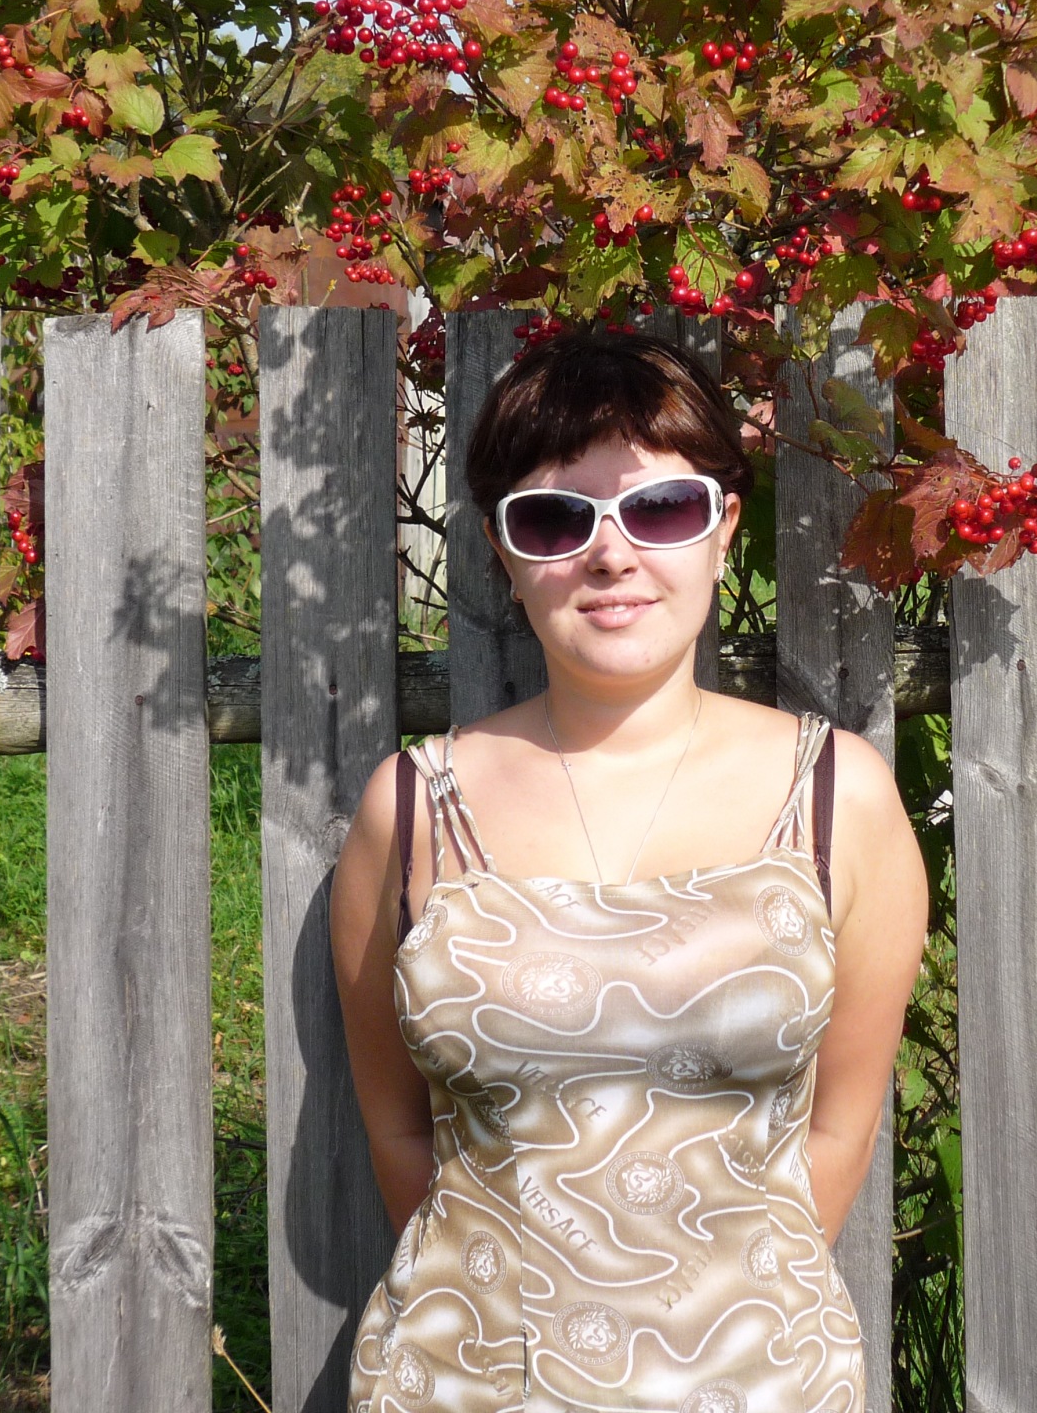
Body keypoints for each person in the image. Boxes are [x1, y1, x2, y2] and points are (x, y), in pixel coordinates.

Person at [330, 329, 929, 1413]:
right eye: (555, 520)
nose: (610, 555)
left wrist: (707, 1341)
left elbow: (841, 1127)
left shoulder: (839, 800)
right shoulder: (411, 810)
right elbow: (398, 1131)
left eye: (660, 509)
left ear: (723, 528)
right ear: (504, 553)